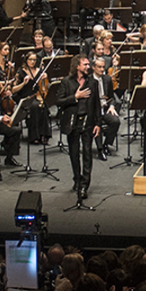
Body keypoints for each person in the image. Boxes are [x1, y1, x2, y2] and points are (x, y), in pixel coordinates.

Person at [55, 54, 102, 198]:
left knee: (87, 154)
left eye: (88, 64)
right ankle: (77, 179)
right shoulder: (66, 82)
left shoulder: (93, 82)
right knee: (74, 153)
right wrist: (75, 97)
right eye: (85, 64)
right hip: (72, 122)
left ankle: (84, 185)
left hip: (88, 121)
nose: (88, 67)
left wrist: (98, 124)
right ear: (77, 66)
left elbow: (97, 104)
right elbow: (59, 101)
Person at [14, 52, 52, 146]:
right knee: (34, 106)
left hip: (37, 95)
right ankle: (34, 136)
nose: (32, 62)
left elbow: (45, 85)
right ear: (26, 60)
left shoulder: (39, 71)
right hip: (25, 96)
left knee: (43, 105)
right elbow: (14, 89)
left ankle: (44, 135)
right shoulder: (21, 72)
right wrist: (23, 83)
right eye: (30, 59)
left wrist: (46, 78)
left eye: (34, 60)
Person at [91, 56, 120, 160]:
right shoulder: (88, 80)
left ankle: (106, 144)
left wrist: (112, 105)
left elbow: (111, 97)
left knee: (115, 121)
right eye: (99, 67)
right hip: (93, 111)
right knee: (97, 123)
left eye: (103, 67)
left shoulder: (107, 79)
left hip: (105, 108)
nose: (102, 69)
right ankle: (100, 150)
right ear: (93, 67)